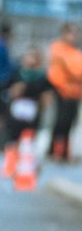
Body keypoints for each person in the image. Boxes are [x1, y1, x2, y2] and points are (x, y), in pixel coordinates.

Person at [47, 23, 81, 162]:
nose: (74, 37)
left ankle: (64, 153)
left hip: (75, 93)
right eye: (71, 33)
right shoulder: (58, 49)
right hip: (62, 91)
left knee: (70, 123)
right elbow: (72, 71)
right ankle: (55, 151)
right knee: (61, 122)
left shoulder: (75, 52)